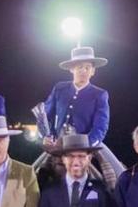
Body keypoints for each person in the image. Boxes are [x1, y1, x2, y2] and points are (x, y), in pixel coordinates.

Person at [34, 46, 124, 187]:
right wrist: (46, 135)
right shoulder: (60, 88)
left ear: (93, 71)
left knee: (116, 176)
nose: (83, 71)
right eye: (79, 67)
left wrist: (86, 145)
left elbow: (101, 127)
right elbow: (45, 115)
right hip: (59, 143)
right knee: (34, 174)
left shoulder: (99, 94)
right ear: (71, 69)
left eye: (87, 68)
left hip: (87, 143)